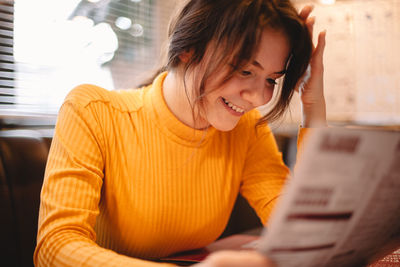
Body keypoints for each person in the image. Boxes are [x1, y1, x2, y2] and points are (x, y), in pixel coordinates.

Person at [34, 0, 326, 266]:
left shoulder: (246, 128)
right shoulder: (92, 111)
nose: (258, 98)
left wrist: (313, 105)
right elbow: (56, 247)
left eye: (272, 80)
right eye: (246, 71)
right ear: (189, 49)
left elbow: (304, 233)